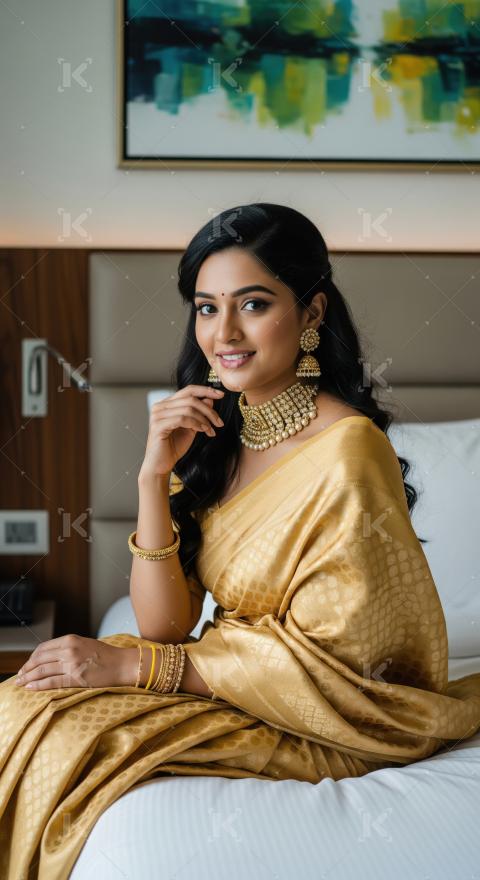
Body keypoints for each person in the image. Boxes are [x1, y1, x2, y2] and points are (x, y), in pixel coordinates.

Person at [1, 203, 480, 879]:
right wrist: (153, 474)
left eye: (252, 304)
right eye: (205, 307)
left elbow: (348, 669)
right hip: (228, 677)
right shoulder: (217, 437)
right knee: (19, 704)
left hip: (329, 717)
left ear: (312, 314)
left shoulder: (349, 453)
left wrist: (136, 669)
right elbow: (162, 625)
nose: (223, 332)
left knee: (73, 735)